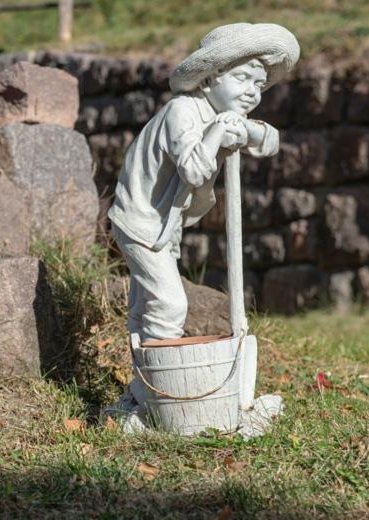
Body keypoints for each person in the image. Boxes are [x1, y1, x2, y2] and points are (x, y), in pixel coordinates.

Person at [108, 23, 300, 343]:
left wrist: (247, 131)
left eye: (260, 84)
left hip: (163, 226)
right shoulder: (181, 112)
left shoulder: (221, 112)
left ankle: (141, 389)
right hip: (140, 221)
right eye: (242, 79)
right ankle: (164, 390)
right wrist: (217, 134)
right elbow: (194, 171)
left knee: (144, 308)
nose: (253, 91)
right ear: (210, 79)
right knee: (169, 305)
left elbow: (271, 141)